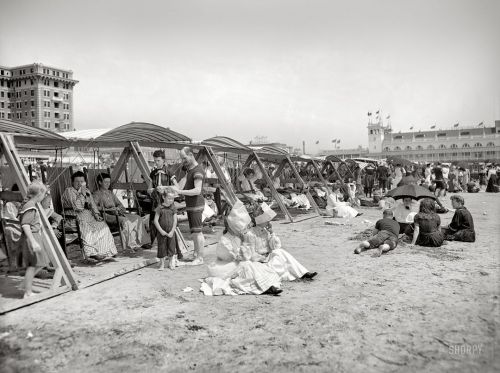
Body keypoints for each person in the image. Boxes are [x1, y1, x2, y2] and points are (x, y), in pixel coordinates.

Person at [200, 202, 282, 296]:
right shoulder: (224, 241)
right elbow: (235, 257)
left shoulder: (238, 237)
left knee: (255, 266)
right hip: (225, 265)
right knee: (248, 266)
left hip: (238, 262)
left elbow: (247, 256)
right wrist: (244, 248)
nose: (243, 230)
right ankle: (265, 288)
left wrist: (255, 255)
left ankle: (267, 285)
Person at [246, 203, 317, 281]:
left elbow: (276, 247)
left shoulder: (266, 232)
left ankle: (303, 273)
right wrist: (263, 258)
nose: (269, 221)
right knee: (280, 262)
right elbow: (250, 254)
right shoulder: (251, 234)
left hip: (268, 258)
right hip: (260, 262)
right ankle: (302, 274)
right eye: (266, 219)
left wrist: (272, 232)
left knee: (280, 252)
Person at [62, 171, 117, 261]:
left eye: (82, 182)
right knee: (86, 227)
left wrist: (96, 214)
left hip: (87, 215)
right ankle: (92, 253)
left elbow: (92, 204)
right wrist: (82, 194)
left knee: (102, 225)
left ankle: (106, 252)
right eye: (77, 182)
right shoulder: (69, 191)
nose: (80, 184)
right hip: (73, 216)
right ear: (72, 182)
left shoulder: (86, 190)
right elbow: (78, 207)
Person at [93, 173, 150, 251]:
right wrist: (107, 209)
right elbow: (94, 207)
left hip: (118, 213)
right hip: (107, 215)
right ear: (100, 182)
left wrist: (118, 208)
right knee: (125, 221)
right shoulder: (97, 194)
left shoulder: (110, 193)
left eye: (109, 182)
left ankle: (143, 242)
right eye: (105, 182)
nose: (108, 184)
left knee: (137, 218)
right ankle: (132, 244)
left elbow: (120, 204)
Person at [171, 147, 205, 265]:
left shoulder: (197, 171)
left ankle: (200, 257)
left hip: (196, 205)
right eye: (182, 159)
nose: (183, 161)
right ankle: (196, 254)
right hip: (191, 205)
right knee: (194, 232)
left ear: (191, 155)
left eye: (184, 158)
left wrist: (180, 192)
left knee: (198, 232)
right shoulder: (190, 170)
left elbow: (197, 190)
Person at [19, 181, 51, 298]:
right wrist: (33, 241)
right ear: (40, 194)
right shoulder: (30, 206)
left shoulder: (30, 204)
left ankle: (24, 284)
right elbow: (25, 225)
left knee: (40, 263)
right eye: (44, 194)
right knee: (33, 265)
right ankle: (27, 292)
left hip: (35, 236)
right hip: (32, 237)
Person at [146, 150, 173, 249]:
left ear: (163, 160)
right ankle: (152, 242)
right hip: (155, 201)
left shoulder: (169, 172)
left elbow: (177, 186)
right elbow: (148, 189)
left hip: (166, 202)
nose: (156, 163)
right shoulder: (153, 173)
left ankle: (169, 243)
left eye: (158, 160)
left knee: (167, 222)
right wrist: (153, 189)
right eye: (155, 161)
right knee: (153, 221)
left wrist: (165, 188)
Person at [153, 188, 178, 270]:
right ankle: (162, 264)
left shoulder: (173, 208)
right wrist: (161, 231)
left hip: (171, 232)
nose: (171, 200)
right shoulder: (160, 208)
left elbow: (175, 221)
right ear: (164, 197)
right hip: (161, 232)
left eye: (172, 198)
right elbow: (155, 221)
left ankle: (170, 263)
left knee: (171, 247)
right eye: (169, 198)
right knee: (161, 247)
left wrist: (172, 231)